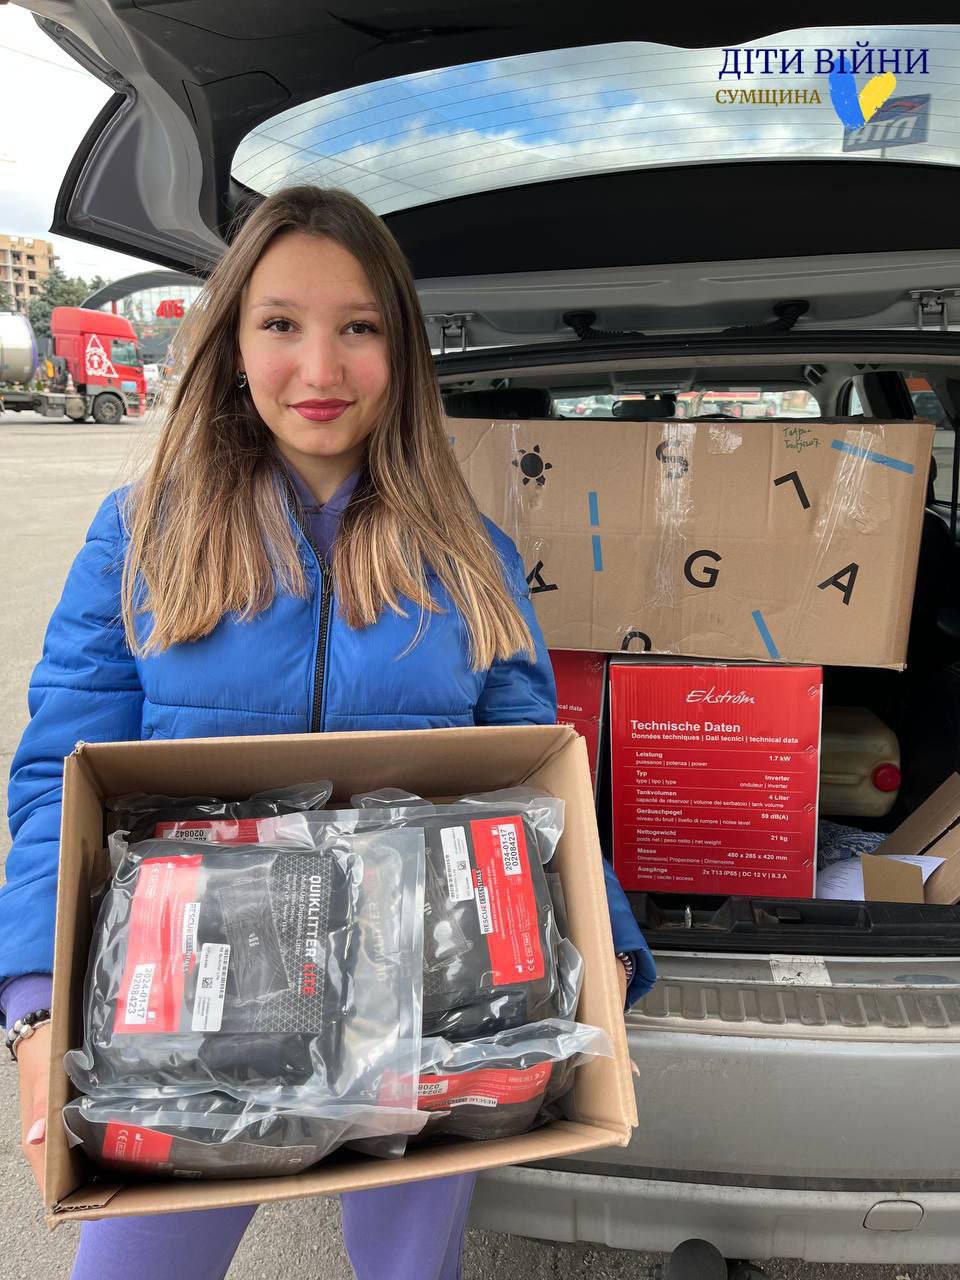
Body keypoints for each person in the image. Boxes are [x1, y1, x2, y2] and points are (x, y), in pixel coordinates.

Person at [0, 185, 655, 1280]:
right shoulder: (140, 536)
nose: (320, 368)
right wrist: (34, 1004)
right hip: (191, 1011)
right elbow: (52, 784)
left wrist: (609, 956)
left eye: (358, 327)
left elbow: (542, 786)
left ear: (401, 353)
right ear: (231, 342)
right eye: (281, 324)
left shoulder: (470, 554)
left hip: (430, 1012)